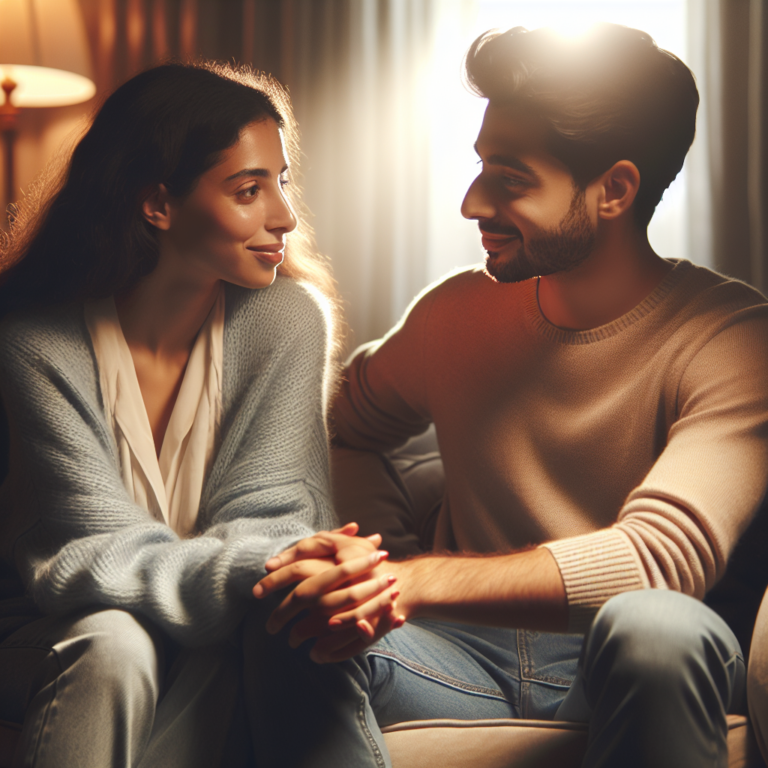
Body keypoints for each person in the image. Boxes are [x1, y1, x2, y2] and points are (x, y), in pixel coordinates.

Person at [255, 23, 768, 768]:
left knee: (658, 627)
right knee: (294, 622)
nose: (472, 203)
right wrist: (379, 555)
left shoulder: (735, 337)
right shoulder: (455, 314)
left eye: (511, 178)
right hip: (448, 663)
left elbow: (658, 561)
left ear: (615, 190)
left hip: (621, 662)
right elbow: (339, 423)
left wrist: (413, 578)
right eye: (480, 169)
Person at [0, 61, 396, 767]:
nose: (284, 216)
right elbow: (86, 553)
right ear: (158, 205)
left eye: (282, 181)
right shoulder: (34, 343)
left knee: (278, 626)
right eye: (249, 190)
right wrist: (266, 566)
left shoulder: (285, 320)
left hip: (221, 620)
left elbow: (274, 513)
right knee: (116, 641)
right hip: (47, 630)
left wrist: (295, 561)